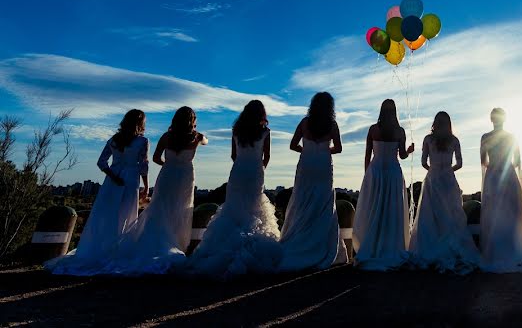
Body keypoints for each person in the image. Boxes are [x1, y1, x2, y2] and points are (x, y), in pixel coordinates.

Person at [46, 110, 150, 275]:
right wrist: (146, 186)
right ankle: (117, 251)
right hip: (131, 179)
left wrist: (113, 176)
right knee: (125, 215)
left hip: (112, 181)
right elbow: (143, 165)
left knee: (106, 215)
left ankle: (99, 249)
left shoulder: (114, 140)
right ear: (140, 124)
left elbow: (101, 162)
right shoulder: (143, 141)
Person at [104, 106, 206, 275]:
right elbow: (206, 141)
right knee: (181, 208)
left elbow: (156, 158)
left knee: (160, 206)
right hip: (186, 176)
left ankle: (151, 242)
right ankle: (177, 244)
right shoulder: (197, 137)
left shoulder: (167, 136)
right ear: (192, 122)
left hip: (167, 174)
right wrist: (198, 135)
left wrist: (169, 164)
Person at [186, 100, 282, 276]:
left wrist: (241, 165)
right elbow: (266, 155)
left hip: (237, 171)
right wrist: (260, 169)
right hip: (255, 172)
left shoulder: (236, 131)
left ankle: (223, 249)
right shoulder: (265, 132)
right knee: (254, 208)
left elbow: (233, 155)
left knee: (234, 207)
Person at [280, 92, 348, 271]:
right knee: (322, 202)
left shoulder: (304, 123)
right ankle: (320, 246)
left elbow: (292, 145)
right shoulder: (332, 125)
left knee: (303, 199)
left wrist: (308, 150)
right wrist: (325, 151)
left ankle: (298, 240)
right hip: (324, 166)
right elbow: (339, 148)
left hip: (307, 164)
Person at [409, 112, 480, 272]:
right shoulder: (454, 140)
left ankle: (430, 248)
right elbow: (460, 163)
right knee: (450, 214)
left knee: (431, 215)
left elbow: (423, 162)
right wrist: (448, 170)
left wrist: (433, 170)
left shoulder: (428, 139)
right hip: (448, 179)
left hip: (433, 179)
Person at [352, 99, 415, 270]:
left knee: (374, 209)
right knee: (391, 209)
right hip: (393, 172)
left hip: (376, 171)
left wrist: (367, 174)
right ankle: (391, 247)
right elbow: (401, 155)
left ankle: (371, 246)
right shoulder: (399, 131)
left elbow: (367, 154)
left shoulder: (373, 129)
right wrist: (408, 151)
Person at [479, 108, 522, 272]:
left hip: (493, 176)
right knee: (512, 212)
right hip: (508, 175)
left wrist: (494, 166)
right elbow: (517, 160)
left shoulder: (485, 137)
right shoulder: (511, 137)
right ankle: (514, 248)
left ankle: (495, 251)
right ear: (504, 119)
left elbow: (483, 161)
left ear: (491, 119)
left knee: (494, 213)